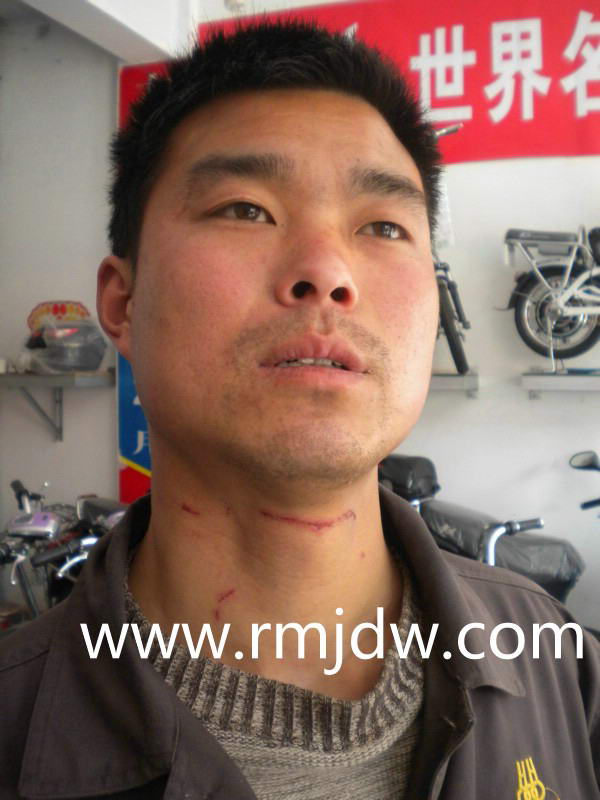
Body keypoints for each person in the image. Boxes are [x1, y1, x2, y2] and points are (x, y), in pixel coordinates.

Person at [0, 19, 598, 800]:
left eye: (383, 226)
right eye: (246, 209)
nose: (329, 271)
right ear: (123, 301)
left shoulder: (561, 668)